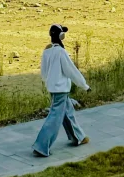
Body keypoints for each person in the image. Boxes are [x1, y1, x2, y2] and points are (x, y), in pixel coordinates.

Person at [32, 24, 90, 157]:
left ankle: (78, 137)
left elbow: (44, 73)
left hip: (53, 88)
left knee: (68, 112)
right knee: (54, 118)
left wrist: (49, 82)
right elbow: (71, 71)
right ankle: (41, 146)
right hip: (61, 89)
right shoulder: (61, 52)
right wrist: (84, 85)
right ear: (61, 36)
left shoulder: (47, 51)